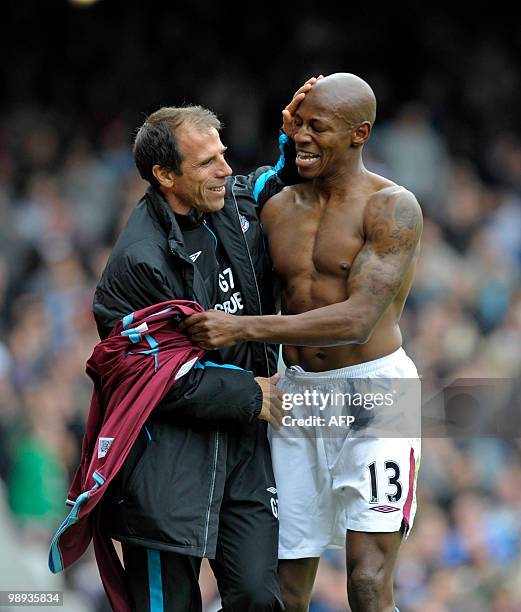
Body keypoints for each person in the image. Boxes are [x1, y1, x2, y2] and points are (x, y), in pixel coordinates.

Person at [181, 73, 423, 612]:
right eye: (300, 126)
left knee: (366, 582)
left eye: (320, 128)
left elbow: (357, 319)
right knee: (283, 585)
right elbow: (217, 207)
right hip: (298, 397)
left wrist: (242, 327)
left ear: (360, 134)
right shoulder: (276, 207)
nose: (305, 137)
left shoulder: (392, 207)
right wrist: (288, 142)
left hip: (376, 396)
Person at [90, 79, 318, 611]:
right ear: (164, 176)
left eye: (223, 156)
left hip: (242, 452)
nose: (224, 171)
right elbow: (153, 379)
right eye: (206, 164)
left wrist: (295, 140)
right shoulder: (137, 262)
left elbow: (275, 182)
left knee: (260, 600)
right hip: (165, 463)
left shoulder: (232, 203)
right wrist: (253, 394)